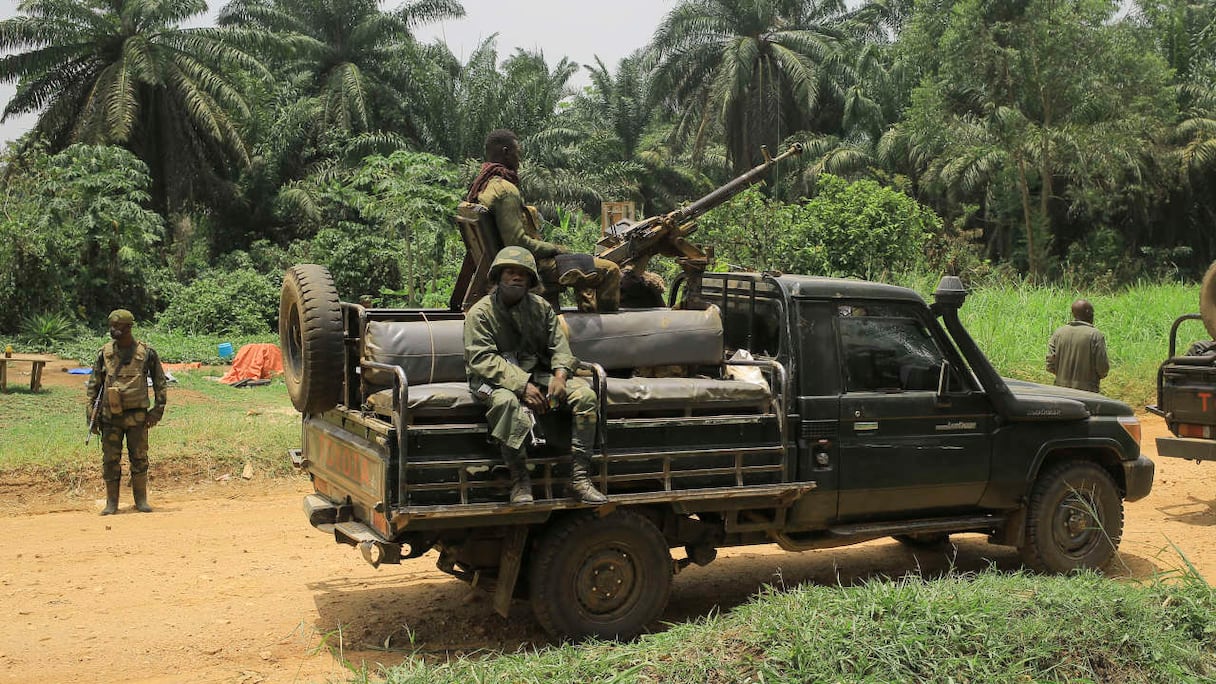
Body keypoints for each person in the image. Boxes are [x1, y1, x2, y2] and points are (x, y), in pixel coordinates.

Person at [464, 246, 608, 506]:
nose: (517, 277)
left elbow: (559, 347)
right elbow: (482, 359)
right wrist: (522, 386)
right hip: (494, 379)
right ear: (498, 277)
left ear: (531, 280)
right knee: (505, 403)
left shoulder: (540, 308)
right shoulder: (480, 313)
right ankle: (519, 480)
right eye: (510, 272)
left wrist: (561, 376)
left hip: (537, 372)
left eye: (523, 273)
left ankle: (579, 478)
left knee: (585, 395)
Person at [466, 128, 621, 313]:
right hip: (532, 264)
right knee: (611, 269)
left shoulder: (485, 185)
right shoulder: (506, 190)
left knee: (584, 263)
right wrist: (554, 248)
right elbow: (517, 243)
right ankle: (607, 330)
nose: (519, 160)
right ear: (507, 152)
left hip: (507, 261)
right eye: (517, 153)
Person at [86, 309, 168, 515]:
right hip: (110, 417)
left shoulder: (146, 353)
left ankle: (141, 501)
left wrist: (157, 411)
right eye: (111, 326)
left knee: (139, 458)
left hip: (137, 417)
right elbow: (93, 385)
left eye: (118, 327)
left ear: (129, 327)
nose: (113, 330)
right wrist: (91, 414)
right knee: (110, 460)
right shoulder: (104, 353)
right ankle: (111, 503)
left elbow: (160, 382)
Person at [1046, 299, 1110, 393]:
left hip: (1060, 391)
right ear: (1088, 313)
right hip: (1087, 393)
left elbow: (1050, 365)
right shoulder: (1095, 335)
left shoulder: (1058, 333)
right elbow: (1103, 368)